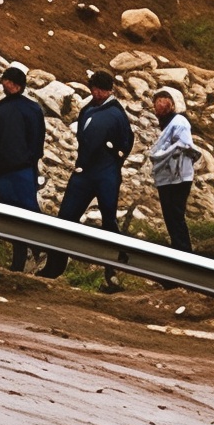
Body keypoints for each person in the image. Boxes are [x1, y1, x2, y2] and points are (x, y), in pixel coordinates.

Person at [38, 70, 132, 283]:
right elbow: (83, 137)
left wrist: (114, 162)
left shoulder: (117, 114)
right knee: (65, 218)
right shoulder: (88, 109)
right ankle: (54, 266)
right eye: (94, 89)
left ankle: (113, 270)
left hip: (106, 172)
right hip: (84, 171)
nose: (97, 93)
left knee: (108, 219)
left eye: (101, 90)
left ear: (109, 91)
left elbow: (126, 143)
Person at [0, 63, 46, 272]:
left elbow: (36, 140)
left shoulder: (23, 108)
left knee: (24, 212)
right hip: (12, 168)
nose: (5, 84)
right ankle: (22, 259)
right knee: (15, 215)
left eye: (8, 81)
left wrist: (29, 161)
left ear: (15, 84)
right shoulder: (15, 108)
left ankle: (36, 253)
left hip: (17, 169)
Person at [147, 87, 197, 253]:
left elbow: (184, 145)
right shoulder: (169, 123)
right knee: (170, 213)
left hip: (178, 175)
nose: (158, 107)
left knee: (175, 213)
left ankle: (183, 249)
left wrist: (162, 154)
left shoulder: (179, 122)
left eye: (162, 103)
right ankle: (178, 247)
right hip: (170, 175)